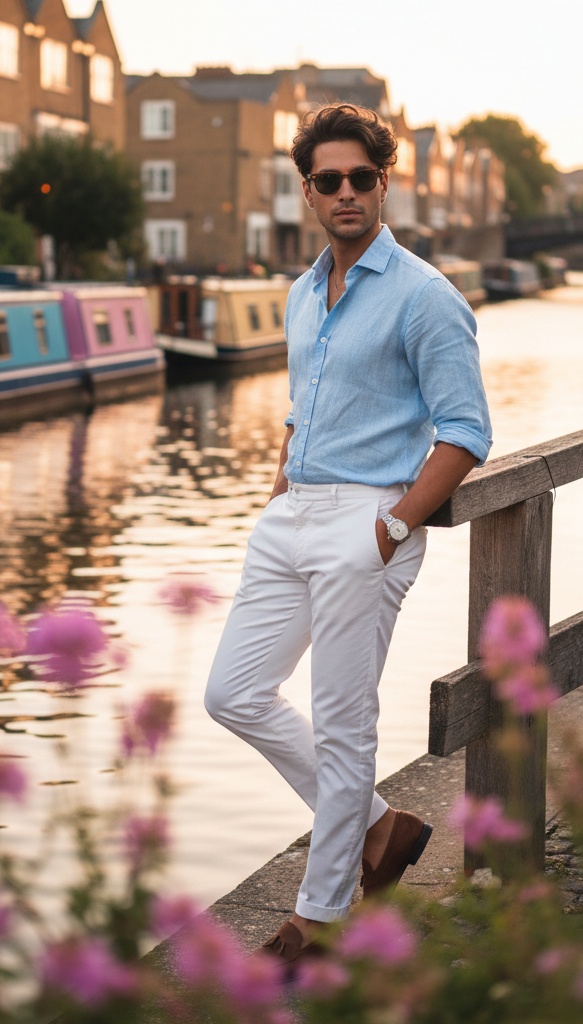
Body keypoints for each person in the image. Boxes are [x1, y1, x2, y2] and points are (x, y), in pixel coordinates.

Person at [204, 103, 493, 970]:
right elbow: (304, 405)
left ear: (384, 181)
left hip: (368, 523)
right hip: (291, 517)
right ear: (307, 191)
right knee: (233, 693)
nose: (345, 193)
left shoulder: (426, 297)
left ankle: (318, 920)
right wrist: (280, 486)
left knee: (342, 726)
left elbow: (466, 433)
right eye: (327, 180)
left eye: (361, 177)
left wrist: (391, 528)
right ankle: (379, 828)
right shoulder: (301, 294)